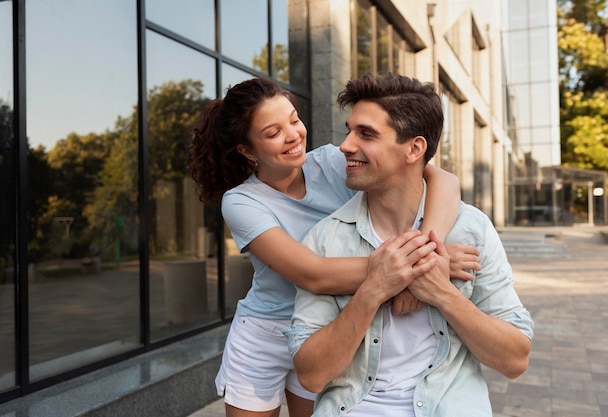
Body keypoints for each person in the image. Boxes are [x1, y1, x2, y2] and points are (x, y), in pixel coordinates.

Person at [187, 77, 480, 417]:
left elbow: (444, 179)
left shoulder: (331, 161)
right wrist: (413, 267)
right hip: (265, 332)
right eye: (273, 132)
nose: (293, 134)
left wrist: (428, 250)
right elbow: (313, 274)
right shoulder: (241, 202)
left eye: (294, 119)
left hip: (325, 327)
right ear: (248, 150)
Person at [286, 73, 534, 417]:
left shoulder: (470, 230)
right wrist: (373, 290)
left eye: (366, 134)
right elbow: (310, 375)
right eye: (349, 130)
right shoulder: (326, 238)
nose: (345, 145)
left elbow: (515, 360)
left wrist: (440, 292)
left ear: (414, 149)